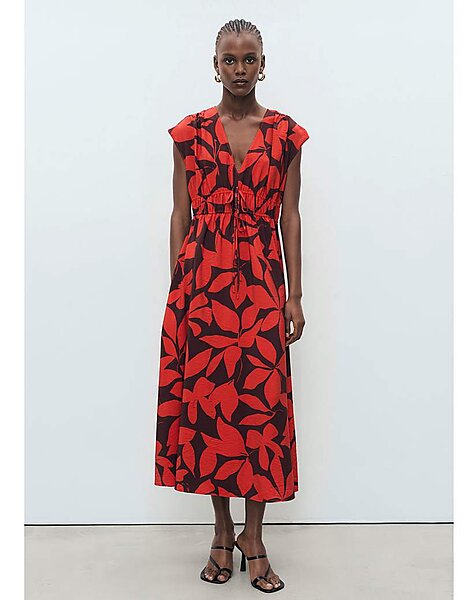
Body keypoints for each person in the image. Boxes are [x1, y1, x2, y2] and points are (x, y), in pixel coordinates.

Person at [154, 18, 309, 593]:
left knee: (260, 410)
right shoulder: (189, 134)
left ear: (263, 64)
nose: (239, 69)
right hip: (203, 285)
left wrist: (295, 294)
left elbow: (289, 216)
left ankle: (255, 536)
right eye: (229, 59)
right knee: (211, 410)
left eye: (249, 59)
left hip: (262, 283)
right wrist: (179, 286)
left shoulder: (287, 135)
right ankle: (222, 532)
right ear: (214, 63)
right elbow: (181, 213)